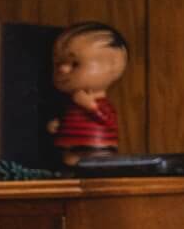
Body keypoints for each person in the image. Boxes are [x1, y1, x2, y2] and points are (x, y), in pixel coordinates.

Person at [46, 20, 129, 165]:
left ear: (112, 65)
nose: (62, 70)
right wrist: (58, 125)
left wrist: (91, 106)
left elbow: (107, 121)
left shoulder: (100, 104)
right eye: (57, 63)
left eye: (75, 63)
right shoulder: (71, 105)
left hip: (97, 149)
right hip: (68, 149)